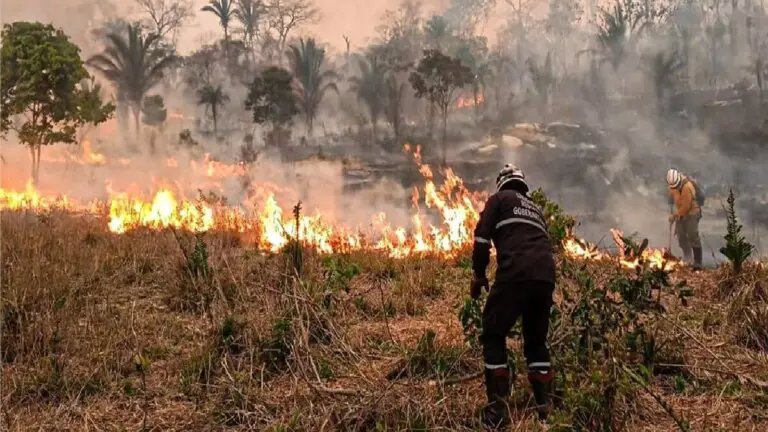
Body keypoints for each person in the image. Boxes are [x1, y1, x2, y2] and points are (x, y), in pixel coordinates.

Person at [471, 164, 557, 427]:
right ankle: (545, 411)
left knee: (493, 333)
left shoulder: (498, 200)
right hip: (545, 277)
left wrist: (478, 275)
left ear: (502, 184)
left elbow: (482, 240)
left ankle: (497, 412)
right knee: (536, 342)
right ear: (522, 184)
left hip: (516, 273)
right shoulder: (536, 209)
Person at [666, 168, 702, 269]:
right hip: (680, 213)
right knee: (681, 236)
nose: (673, 187)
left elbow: (686, 207)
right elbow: (673, 193)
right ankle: (688, 257)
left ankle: (698, 263)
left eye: (675, 186)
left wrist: (674, 216)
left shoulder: (687, 187)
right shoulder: (673, 184)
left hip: (692, 213)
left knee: (692, 235)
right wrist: (670, 198)